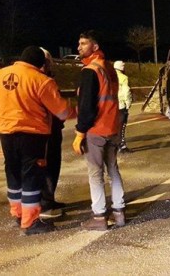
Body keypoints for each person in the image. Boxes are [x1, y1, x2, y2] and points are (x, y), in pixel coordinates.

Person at [0, 46, 75, 235]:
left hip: (6, 134)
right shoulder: (41, 81)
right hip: (32, 135)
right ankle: (31, 221)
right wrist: (77, 111)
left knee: (13, 172)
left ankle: (17, 214)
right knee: (32, 175)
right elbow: (61, 112)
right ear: (41, 63)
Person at [73, 30, 126, 230]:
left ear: (94, 47)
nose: (79, 47)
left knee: (95, 173)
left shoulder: (90, 71)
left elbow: (87, 107)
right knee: (113, 170)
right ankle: (119, 213)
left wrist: (79, 134)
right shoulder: (109, 68)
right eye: (79, 43)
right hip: (112, 127)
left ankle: (99, 217)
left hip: (96, 130)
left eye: (84, 43)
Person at [39, 48, 66, 218]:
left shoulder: (48, 78)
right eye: (48, 61)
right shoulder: (41, 80)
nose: (50, 64)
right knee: (46, 166)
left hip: (53, 128)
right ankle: (44, 203)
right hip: (45, 131)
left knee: (54, 165)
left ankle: (49, 197)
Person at [113, 60, 132, 153]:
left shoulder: (109, 76)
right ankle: (122, 145)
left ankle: (112, 145)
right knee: (122, 126)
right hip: (121, 105)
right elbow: (126, 92)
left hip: (111, 105)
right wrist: (128, 103)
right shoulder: (123, 77)